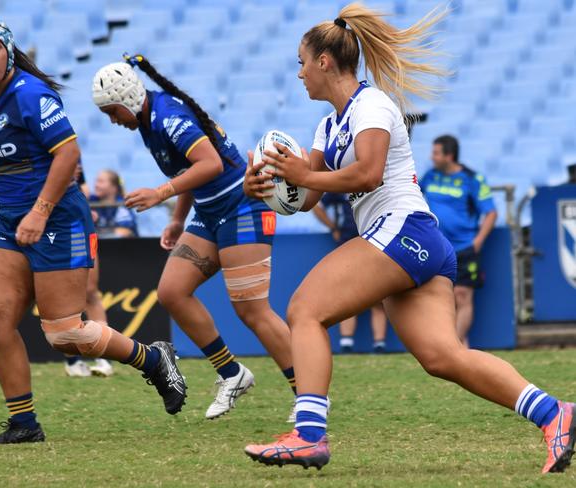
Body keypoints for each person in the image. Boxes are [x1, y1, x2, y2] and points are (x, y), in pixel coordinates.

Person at [242, 3, 574, 474]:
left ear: (323, 61)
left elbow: (369, 173)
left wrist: (299, 173)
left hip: (400, 230)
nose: (298, 75)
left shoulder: (371, 104)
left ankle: (309, 435)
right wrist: (269, 188)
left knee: (303, 310)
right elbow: (310, 194)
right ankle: (553, 413)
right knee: (443, 357)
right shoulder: (327, 125)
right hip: (413, 241)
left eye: (300, 62)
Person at [0, 18, 187, 444]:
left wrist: (40, 212)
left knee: (64, 334)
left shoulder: (29, 93)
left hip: (56, 220)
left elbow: (68, 154)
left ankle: (153, 359)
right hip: (13, 223)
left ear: (8, 51)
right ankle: (24, 424)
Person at [92, 55, 296, 419]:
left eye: (112, 111)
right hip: (209, 212)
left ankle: (308, 394)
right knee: (172, 292)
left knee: (252, 310)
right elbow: (192, 169)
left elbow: (210, 164)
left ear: (128, 100)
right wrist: (177, 218)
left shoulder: (168, 117)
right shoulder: (147, 120)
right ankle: (233, 374)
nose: (112, 120)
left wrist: (161, 193)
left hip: (241, 206)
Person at [420, 135, 497, 346]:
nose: (432, 157)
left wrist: (478, 242)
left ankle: (452, 345)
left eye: (436, 153)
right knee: (442, 297)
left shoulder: (472, 179)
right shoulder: (429, 177)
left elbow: (490, 213)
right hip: (437, 247)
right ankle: (459, 348)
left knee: (462, 296)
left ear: (449, 156)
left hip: (464, 248)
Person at [63, 165, 124, 377]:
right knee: (60, 297)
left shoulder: (66, 144)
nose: (77, 168)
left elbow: (82, 187)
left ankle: (103, 356)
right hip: (50, 228)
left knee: (89, 292)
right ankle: (72, 361)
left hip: (78, 227)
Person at [312, 192, 387, 353]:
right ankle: (346, 342)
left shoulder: (376, 184)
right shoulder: (342, 187)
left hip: (374, 245)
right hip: (347, 246)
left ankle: (379, 343)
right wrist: (332, 227)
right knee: (347, 295)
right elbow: (316, 205)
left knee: (378, 297)